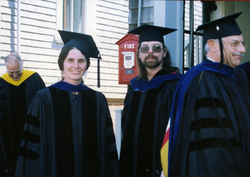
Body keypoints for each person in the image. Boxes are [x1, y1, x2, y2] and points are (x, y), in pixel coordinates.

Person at [15, 30, 119, 177]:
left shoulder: (97, 100)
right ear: (62, 64)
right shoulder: (44, 98)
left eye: (81, 60)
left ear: (86, 64)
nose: (76, 66)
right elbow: (32, 147)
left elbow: (107, 147)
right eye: (70, 60)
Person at [162, 12, 250, 177]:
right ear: (212, 45)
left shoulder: (226, 77)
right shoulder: (205, 80)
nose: (242, 49)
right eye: (235, 44)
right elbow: (215, 146)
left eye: (242, 43)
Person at [119, 24, 182, 177]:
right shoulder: (134, 86)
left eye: (156, 48)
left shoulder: (174, 85)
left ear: (165, 52)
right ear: (139, 54)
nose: (151, 53)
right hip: (131, 165)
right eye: (145, 49)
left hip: (160, 168)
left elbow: (179, 130)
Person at [0, 53, 45, 176]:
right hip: (9, 132)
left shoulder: (34, 78)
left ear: (22, 65)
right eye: (11, 73)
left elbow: (44, 102)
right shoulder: (1, 82)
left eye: (18, 72)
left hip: (31, 128)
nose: (14, 76)